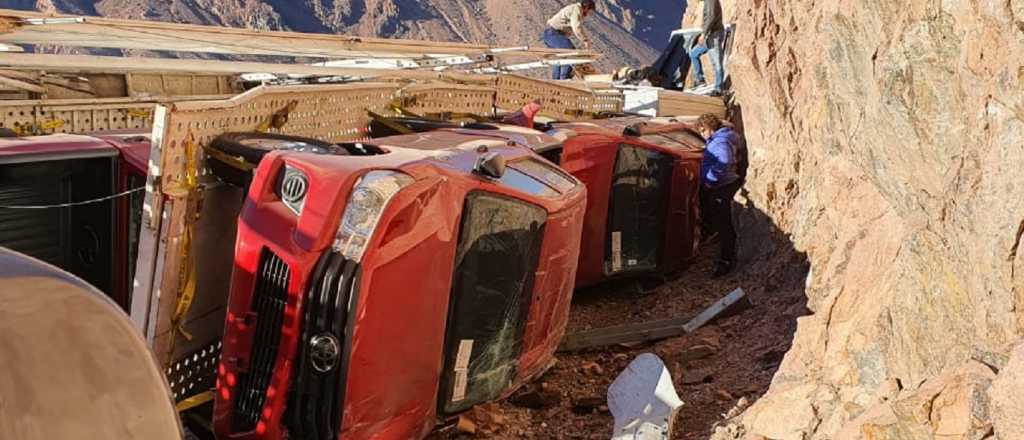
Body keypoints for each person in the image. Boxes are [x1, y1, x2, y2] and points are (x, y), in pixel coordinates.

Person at [696, 113, 741, 277]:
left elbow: (724, 161)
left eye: (702, 130)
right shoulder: (720, 139)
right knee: (721, 223)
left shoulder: (720, 141)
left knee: (724, 226)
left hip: (722, 186)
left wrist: (709, 180)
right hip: (724, 185)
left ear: (709, 128)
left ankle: (726, 261)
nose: (702, 134)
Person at [542, 0, 596, 80]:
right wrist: (585, 40)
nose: (587, 14)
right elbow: (576, 26)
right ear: (586, 7)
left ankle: (556, 83)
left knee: (559, 58)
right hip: (554, 34)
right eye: (589, 11)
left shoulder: (575, 8)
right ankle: (564, 80)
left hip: (549, 35)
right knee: (571, 54)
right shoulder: (577, 9)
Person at [689, 0, 725, 96]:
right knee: (693, 54)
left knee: (716, 62)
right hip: (710, 36)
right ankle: (700, 80)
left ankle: (719, 89)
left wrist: (703, 34)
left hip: (714, 35)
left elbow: (711, 17)